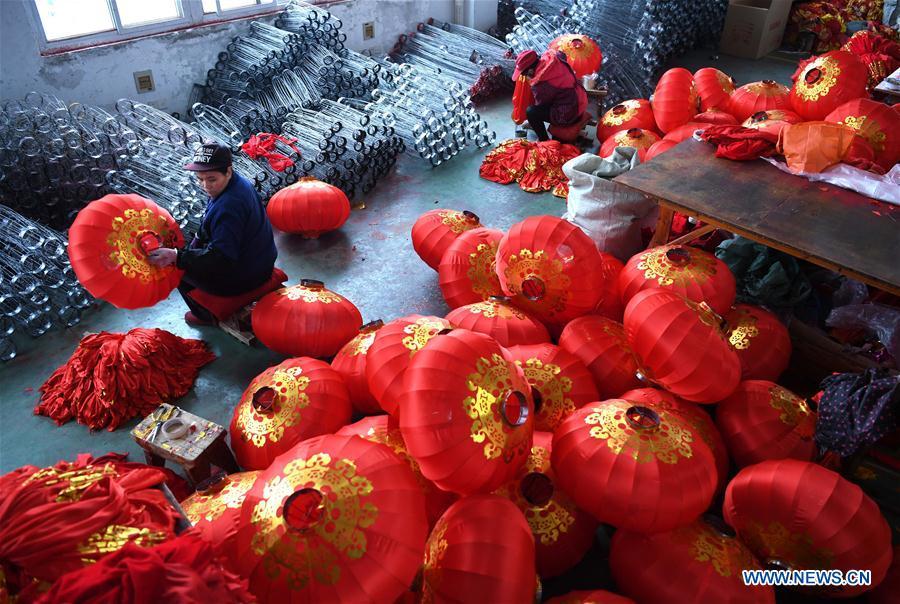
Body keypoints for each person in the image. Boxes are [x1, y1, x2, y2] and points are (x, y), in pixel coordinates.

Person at [148, 142, 277, 326]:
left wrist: (177, 256)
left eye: (211, 179)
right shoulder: (237, 184)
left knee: (174, 267)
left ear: (228, 171)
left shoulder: (229, 207)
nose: (205, 185)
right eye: (200, 179)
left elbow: (222, 258)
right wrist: (195, 243)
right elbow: (209, 223)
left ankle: (204, 315)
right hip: (263, 260)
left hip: (249, 276)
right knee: (188, 252)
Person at [513, 48, 588, 142]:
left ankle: (544, 140)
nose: (524, 76)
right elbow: (562, 54)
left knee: (531, 112)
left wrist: (531, 120)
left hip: (569, 113)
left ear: (530, 71)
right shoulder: (555, 58)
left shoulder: (541, 84)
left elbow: (541, 104)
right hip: (580, 99)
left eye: (524, 74)